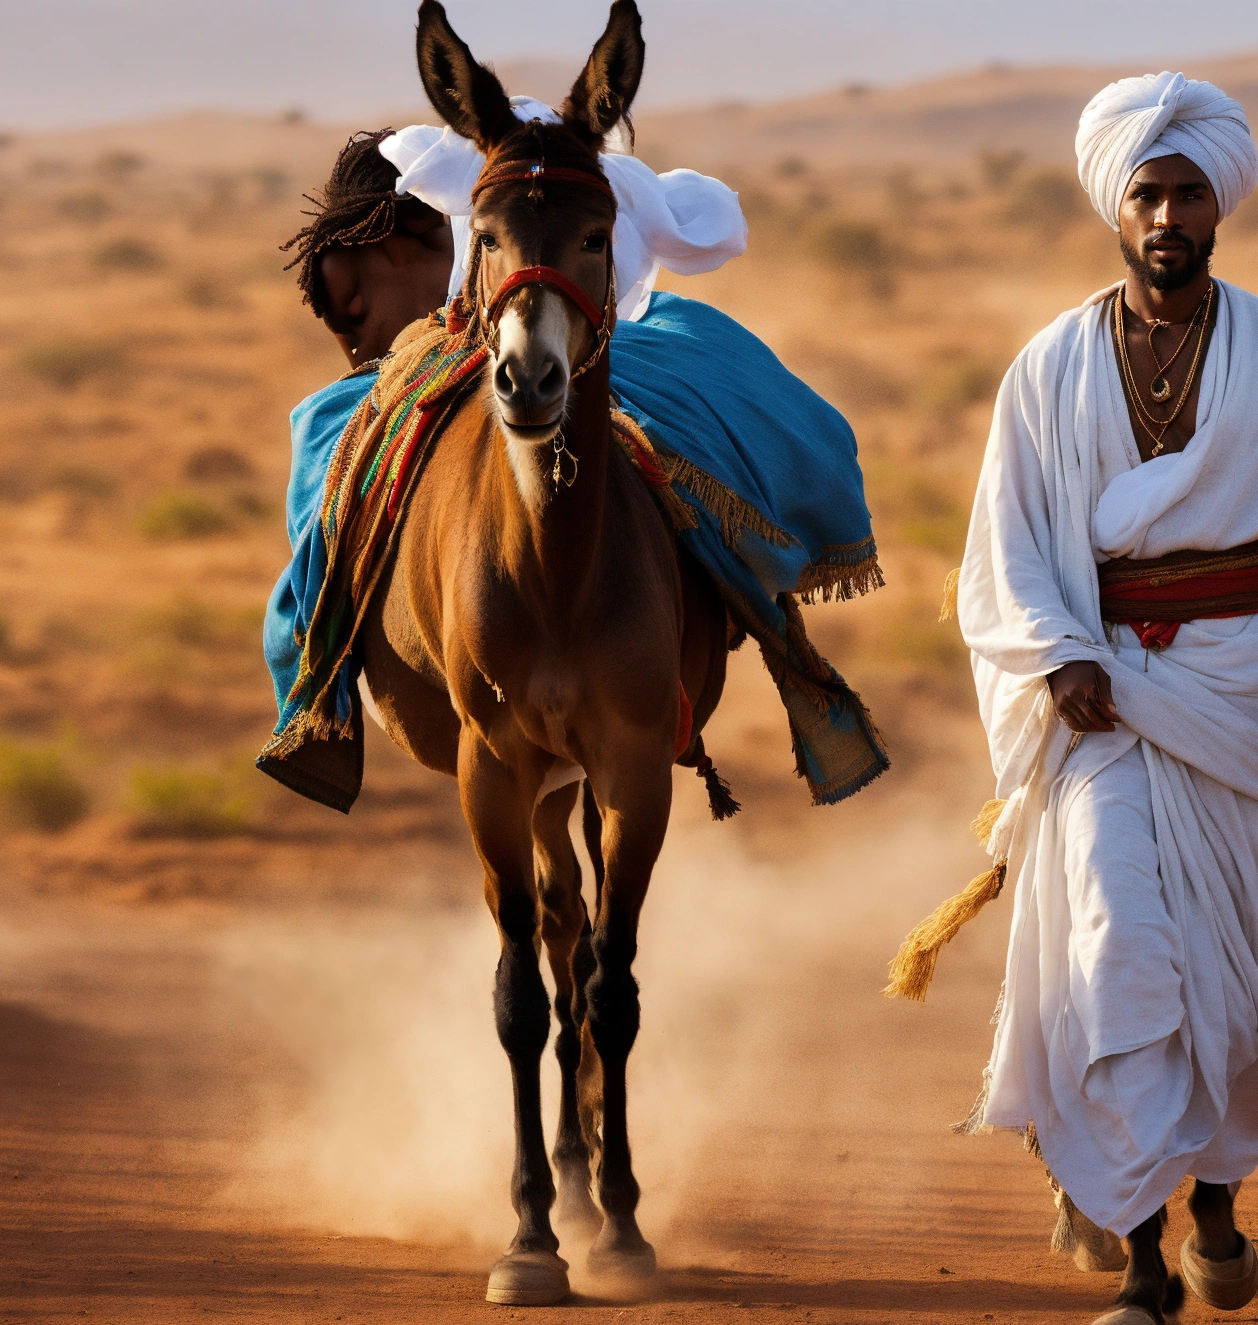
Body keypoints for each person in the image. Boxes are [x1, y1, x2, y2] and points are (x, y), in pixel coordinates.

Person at [922, 72, 1258, 1325]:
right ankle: (1140, 1265)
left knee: (1245, 990)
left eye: (1185, 190)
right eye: (1143, 190)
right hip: (1104, 709)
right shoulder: (1045, 369)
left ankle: (1216, 1206)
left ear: (1217, 205)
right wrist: (1059, 651)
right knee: (1116, 952)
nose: (1163, 212)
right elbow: (1010, 545)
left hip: (1251, 697)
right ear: (1112, 205)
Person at [260, 116, 889, 811]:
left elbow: (370, 349)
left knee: (328, 469)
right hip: (509, 342)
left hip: (523, 337)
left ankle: (319, 675)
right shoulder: (462, 203)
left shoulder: (387, 240)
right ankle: (756, 602)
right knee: (711, 387)